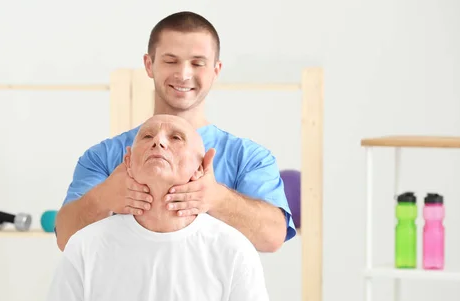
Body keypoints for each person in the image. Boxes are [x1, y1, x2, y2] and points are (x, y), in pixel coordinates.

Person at [38, 114, 280, 301]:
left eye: (175, 138)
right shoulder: (85, 247)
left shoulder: (234, 251)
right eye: (147, 137)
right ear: (127, 161)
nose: (159, 142)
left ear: (202, 167)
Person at [54, 11, 295, 253]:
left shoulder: (249, 158)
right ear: (149, 65)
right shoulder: (103, 157)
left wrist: (217, 198)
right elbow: (65, 238)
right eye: (171, 61)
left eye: (197, 63)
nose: (183, 74)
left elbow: (273, 237)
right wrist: (103, 198)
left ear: (216, 70)